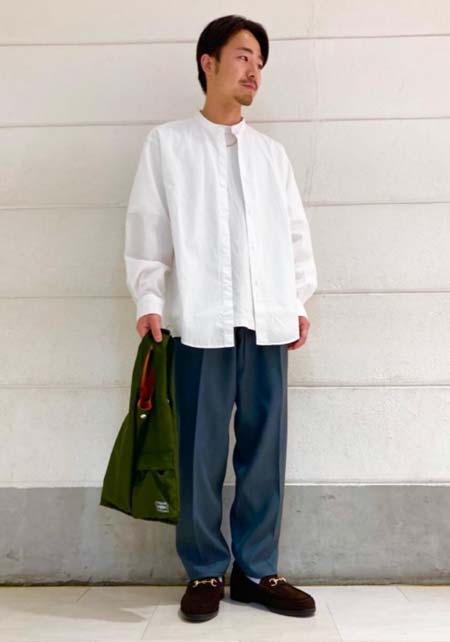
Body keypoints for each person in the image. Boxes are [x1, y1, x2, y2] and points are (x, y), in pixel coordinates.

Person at [124, 14, 318, 622]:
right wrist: (149, 300)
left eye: (260, 60)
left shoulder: (272, 156)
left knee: (265, 449)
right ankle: (205, 569)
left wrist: (297, 301)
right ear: (207, 62)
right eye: (243, 55)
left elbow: (295, 235)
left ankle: (257, 571)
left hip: (267, 321)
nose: (254, 69)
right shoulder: (168, 144)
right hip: (200, 321)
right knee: (198, 453)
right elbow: (148, 226)